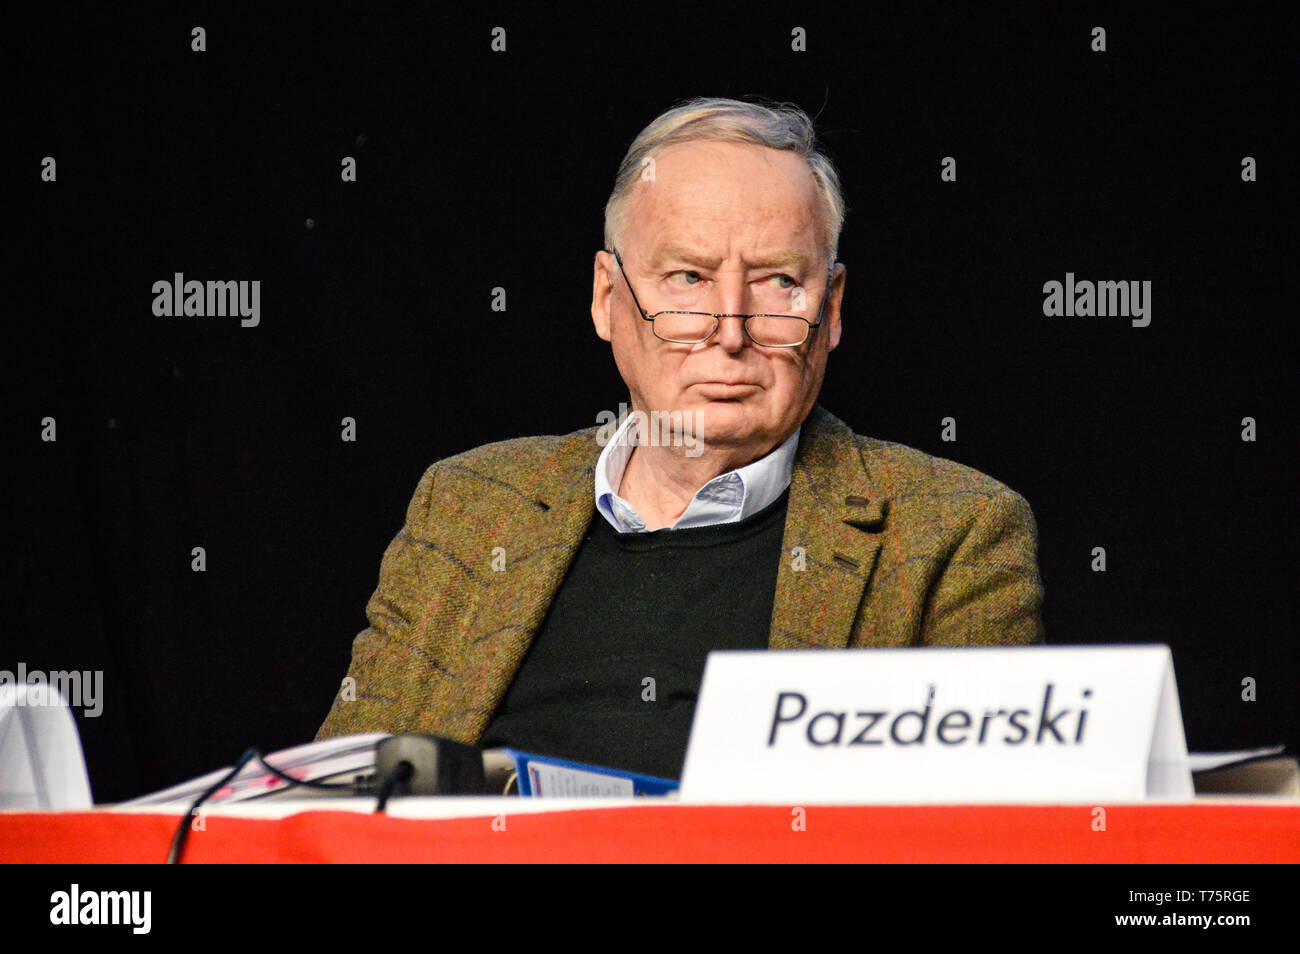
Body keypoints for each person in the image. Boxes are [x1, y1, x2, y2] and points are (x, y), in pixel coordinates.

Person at [316, 97, 1044, 779]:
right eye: (688, 277)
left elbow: (978, 830)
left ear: (834, 306)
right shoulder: (469, 506)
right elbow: (337, 797)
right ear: (608, 299)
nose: (730, 330)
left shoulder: (955, 530)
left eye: (778, 282)